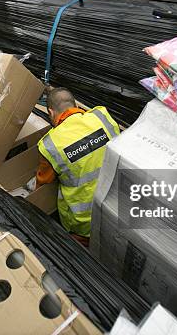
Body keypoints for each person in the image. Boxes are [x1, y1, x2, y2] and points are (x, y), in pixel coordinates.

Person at [36, 87, 120, 245]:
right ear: (74, 105)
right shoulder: (102, 116)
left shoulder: (50, 145)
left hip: (84, 225)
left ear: (51, 112)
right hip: (116, 209)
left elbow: (43, 185)